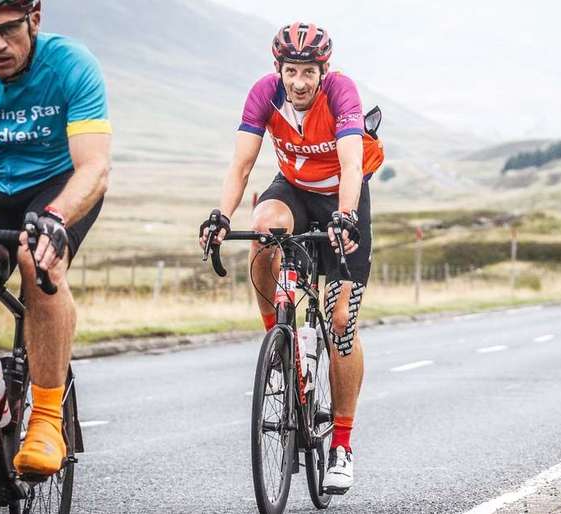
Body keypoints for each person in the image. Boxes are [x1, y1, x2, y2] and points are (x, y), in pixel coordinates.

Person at [199, 22, 383, 495]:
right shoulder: (265, 93)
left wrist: (345, 218)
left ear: (323, 70)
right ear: (278, 69)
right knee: (263, 229)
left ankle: (342, 444)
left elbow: (349, 164)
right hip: (294, 191)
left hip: (342, 198)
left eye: (308, 72)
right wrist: (222, 215)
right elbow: (241, 164)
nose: (298, 82)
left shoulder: (341, 92)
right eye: (290, 71)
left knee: (341, 321)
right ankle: (278, 341)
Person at [0, 0, 111, 476]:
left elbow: (94, 167)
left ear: (35, 20)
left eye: (8, 30)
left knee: (35, 257)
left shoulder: (70, 65)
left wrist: (57, 218)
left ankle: (45, 419)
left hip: (58, 187)